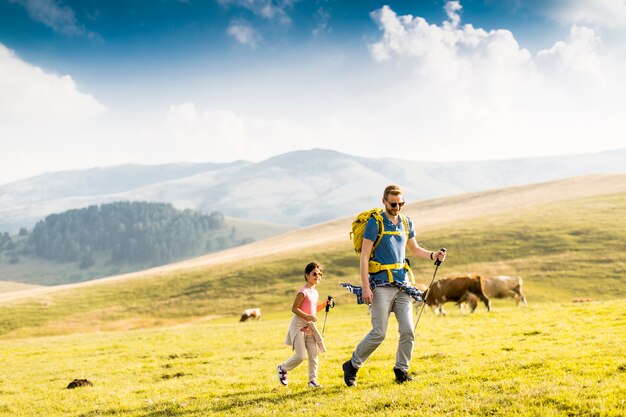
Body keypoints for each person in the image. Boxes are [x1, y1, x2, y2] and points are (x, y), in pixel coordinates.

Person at [342, 184, 446, 386]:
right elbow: (364, 257)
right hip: (380, 284)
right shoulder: (375, 223)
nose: (397, 207)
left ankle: (401, 370)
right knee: (379, 333)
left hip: (403, 284)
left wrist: (433, 255)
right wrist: (365, 286)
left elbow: (414, 249)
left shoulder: (406, 223)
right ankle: (352, 365)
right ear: (384, 202)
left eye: (401, 203)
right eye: (393, 204)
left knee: (408, 330)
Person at [278, 261, 332, 388]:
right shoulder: (303, 292)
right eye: (314, 274)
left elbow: (312, 310)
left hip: (309, 328)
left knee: (314, 355)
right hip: (298, 327)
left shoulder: (315, 292)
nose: (317, 276)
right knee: (301, 355)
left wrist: (325, 304)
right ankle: (283, 368)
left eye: (320, 274)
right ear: (307, 275)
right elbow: (294, 308)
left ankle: (312, 381)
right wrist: (307, 316)